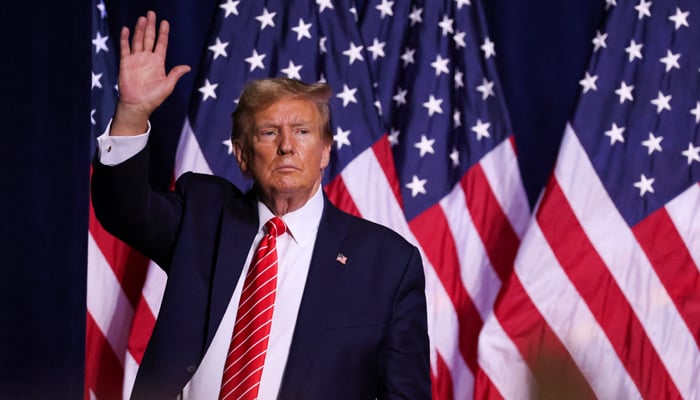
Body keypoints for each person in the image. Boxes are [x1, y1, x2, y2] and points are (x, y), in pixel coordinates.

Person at [91, 11, 430, 400]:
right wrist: (133, 113)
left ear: (324, 152)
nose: (287, 146)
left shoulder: (386, 262)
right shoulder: (203, 217)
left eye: (302, 132)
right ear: (241, 156)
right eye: (269, 133)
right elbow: (124, 210)